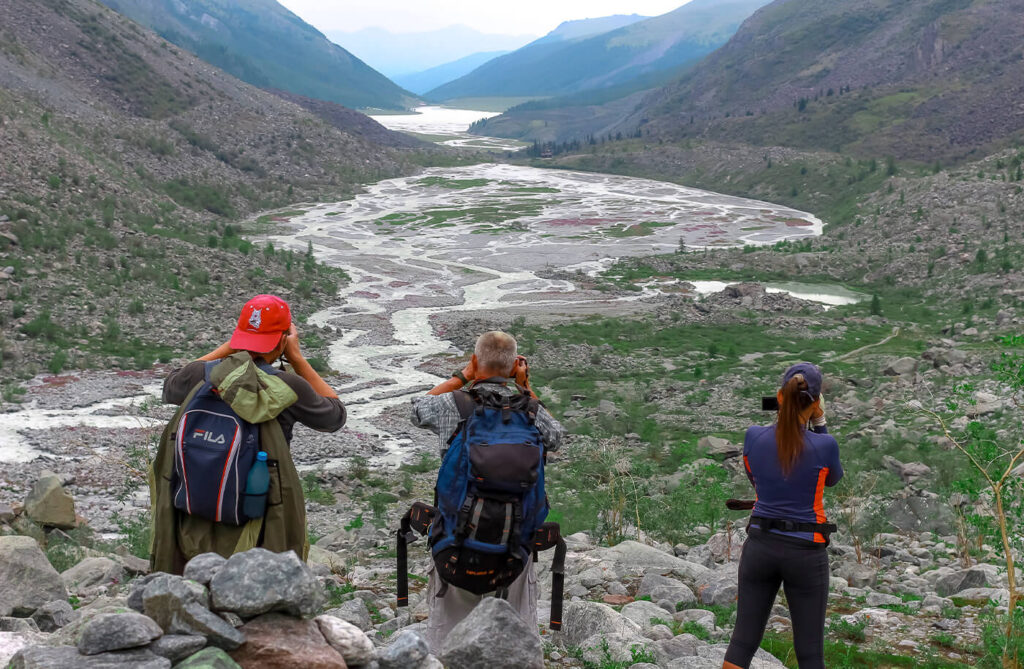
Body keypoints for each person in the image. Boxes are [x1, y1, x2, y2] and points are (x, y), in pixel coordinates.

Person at [150, 294, 345, 574]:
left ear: (239, 333)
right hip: (257, 514)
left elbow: (170, 383)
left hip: (192, 509)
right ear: (282, 339)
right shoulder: (288, 387)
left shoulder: (200, 375)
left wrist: (230, 347)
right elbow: (335, 416)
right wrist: (297, 359)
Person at [410, 330, 566, 652]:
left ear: (475, 361)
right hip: (515, 551)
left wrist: (463, 376)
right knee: (515, 645)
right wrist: (524, 386)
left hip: (455, 546)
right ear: (513, 368)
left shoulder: (454, 405)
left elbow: (417, 409)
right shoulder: (532, 412)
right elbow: (557, 437)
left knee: (448, 646)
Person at [723, 362, 842, 669]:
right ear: (816, 404)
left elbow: (757, 482)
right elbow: (832, 479)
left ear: (779, 396)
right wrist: (821, 422)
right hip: (805, 552)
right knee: (810, 653)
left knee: (742, 642)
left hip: (760, 546)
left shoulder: (753, 437)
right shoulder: (825, 444)